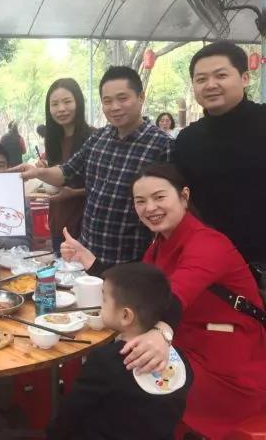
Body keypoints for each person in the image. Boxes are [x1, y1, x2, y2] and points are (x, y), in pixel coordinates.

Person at [60, 163, 266, 438]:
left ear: (184, 196)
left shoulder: (208, 243)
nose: (150, 208)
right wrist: (90, 261)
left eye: (159, 197)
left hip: (227, 366)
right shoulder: (159, 244)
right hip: (185, 345)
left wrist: (161, 332)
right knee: (111, 371)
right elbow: (141, 290)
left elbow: (178, 290)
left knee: (116, 372)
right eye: (140, 201)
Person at [10, 66, 173, 266]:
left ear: (141, 97)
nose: (115, 107)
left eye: (122, 98)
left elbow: (169, 208)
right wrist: (37, 172)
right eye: (107, 101)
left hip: (131, 258)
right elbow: (66, 171)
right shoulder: (99, 138)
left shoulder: (162, 145)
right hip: (87, 255)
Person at [48, 262, 192, 440]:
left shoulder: (106, 361)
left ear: (125, 316)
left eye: (104, 300)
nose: (100, 305)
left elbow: (73, 411)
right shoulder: (182, 361)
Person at [174, 41, 266, 274]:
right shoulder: (187, 140)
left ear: (245, 78)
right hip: (212, 266)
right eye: (201, 79)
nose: (211, 85)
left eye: (221, 75)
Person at [42, 78, 93, 254]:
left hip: (84, 228)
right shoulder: (52, 140)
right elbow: (57, 181)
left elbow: (103, 185)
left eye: (67, 101)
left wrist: (74, 193)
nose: (61, 109)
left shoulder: (94, 138)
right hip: (58, 224)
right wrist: (44, 172)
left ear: (78, 102)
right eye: (55, 104)